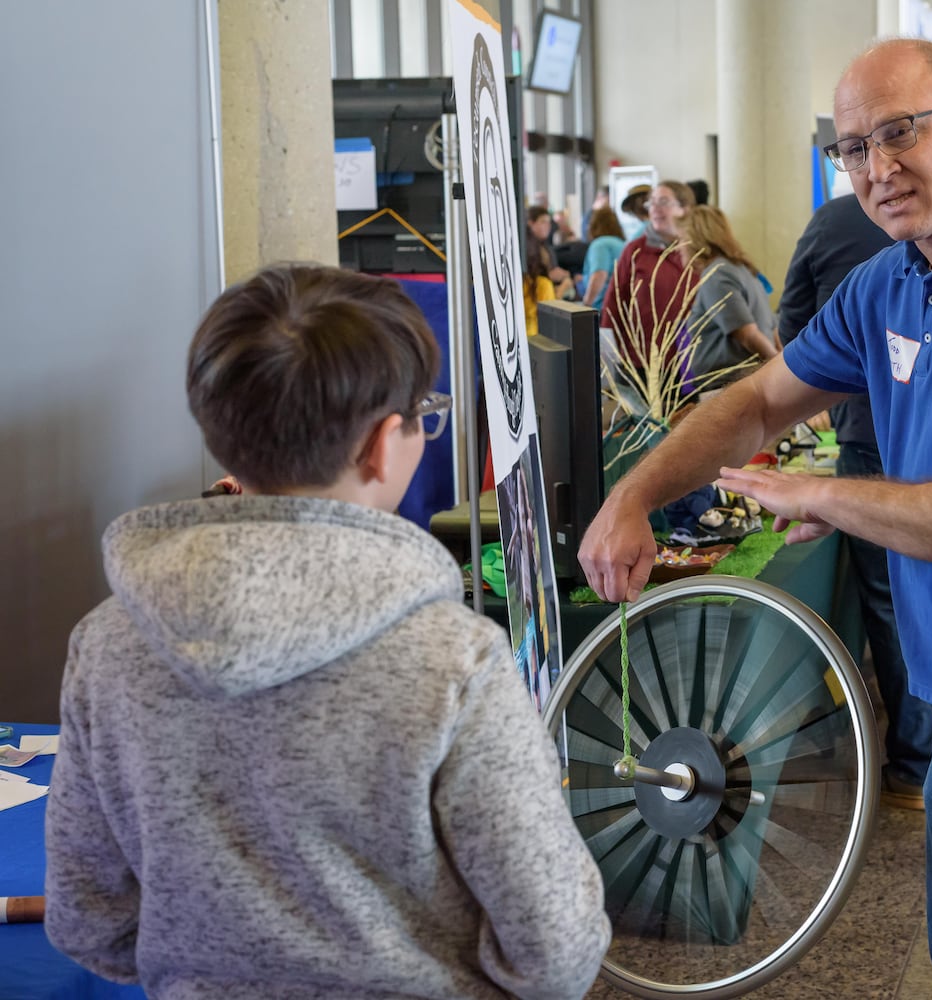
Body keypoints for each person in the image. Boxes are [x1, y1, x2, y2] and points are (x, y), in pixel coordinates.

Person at [579, 39, 932, 998]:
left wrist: (823, 493)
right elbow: (754, 404)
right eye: (855, 148)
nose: (878, 169)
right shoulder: (888, 280)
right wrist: (633, 496)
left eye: (901, 133)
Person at [44, 264, 610, 998]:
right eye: (423, 413)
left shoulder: (107, 644)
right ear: (383, 444)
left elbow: (88, 919)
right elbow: (557, 949)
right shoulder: (452, 660)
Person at [779, 192, 932, 810]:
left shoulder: (832, 220)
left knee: (892, 600)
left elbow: (793, 335)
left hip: (866, 435)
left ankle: (919, 764)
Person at [601, 180, 698, 378]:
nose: (655, 208)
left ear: (685, 209)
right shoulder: (635, 251)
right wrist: (609, 361)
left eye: (663, 202)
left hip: (694, 361)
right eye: (651, 202)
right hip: (644, 363)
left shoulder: (699, 250)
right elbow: (613, 307)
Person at [677, 204, 780, 388]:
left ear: (695, 239)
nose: (678, 248)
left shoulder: (716, 274)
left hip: (731, 386)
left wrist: (782, 374)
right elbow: (773, 332)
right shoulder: (745, 271)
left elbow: (748, 335)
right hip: (750, 381)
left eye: (681, 239)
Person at [526, 204, 576, 301]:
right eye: (543, 222)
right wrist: (550, 276)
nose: (548, 226)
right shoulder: (528, 249)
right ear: (531, 223)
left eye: (549, 222)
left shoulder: (547, 248)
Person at [581, 205, 627, 308]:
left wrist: (586, 304)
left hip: (603, 308)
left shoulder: (600, 244)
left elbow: (599, 274)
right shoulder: (621, 244)